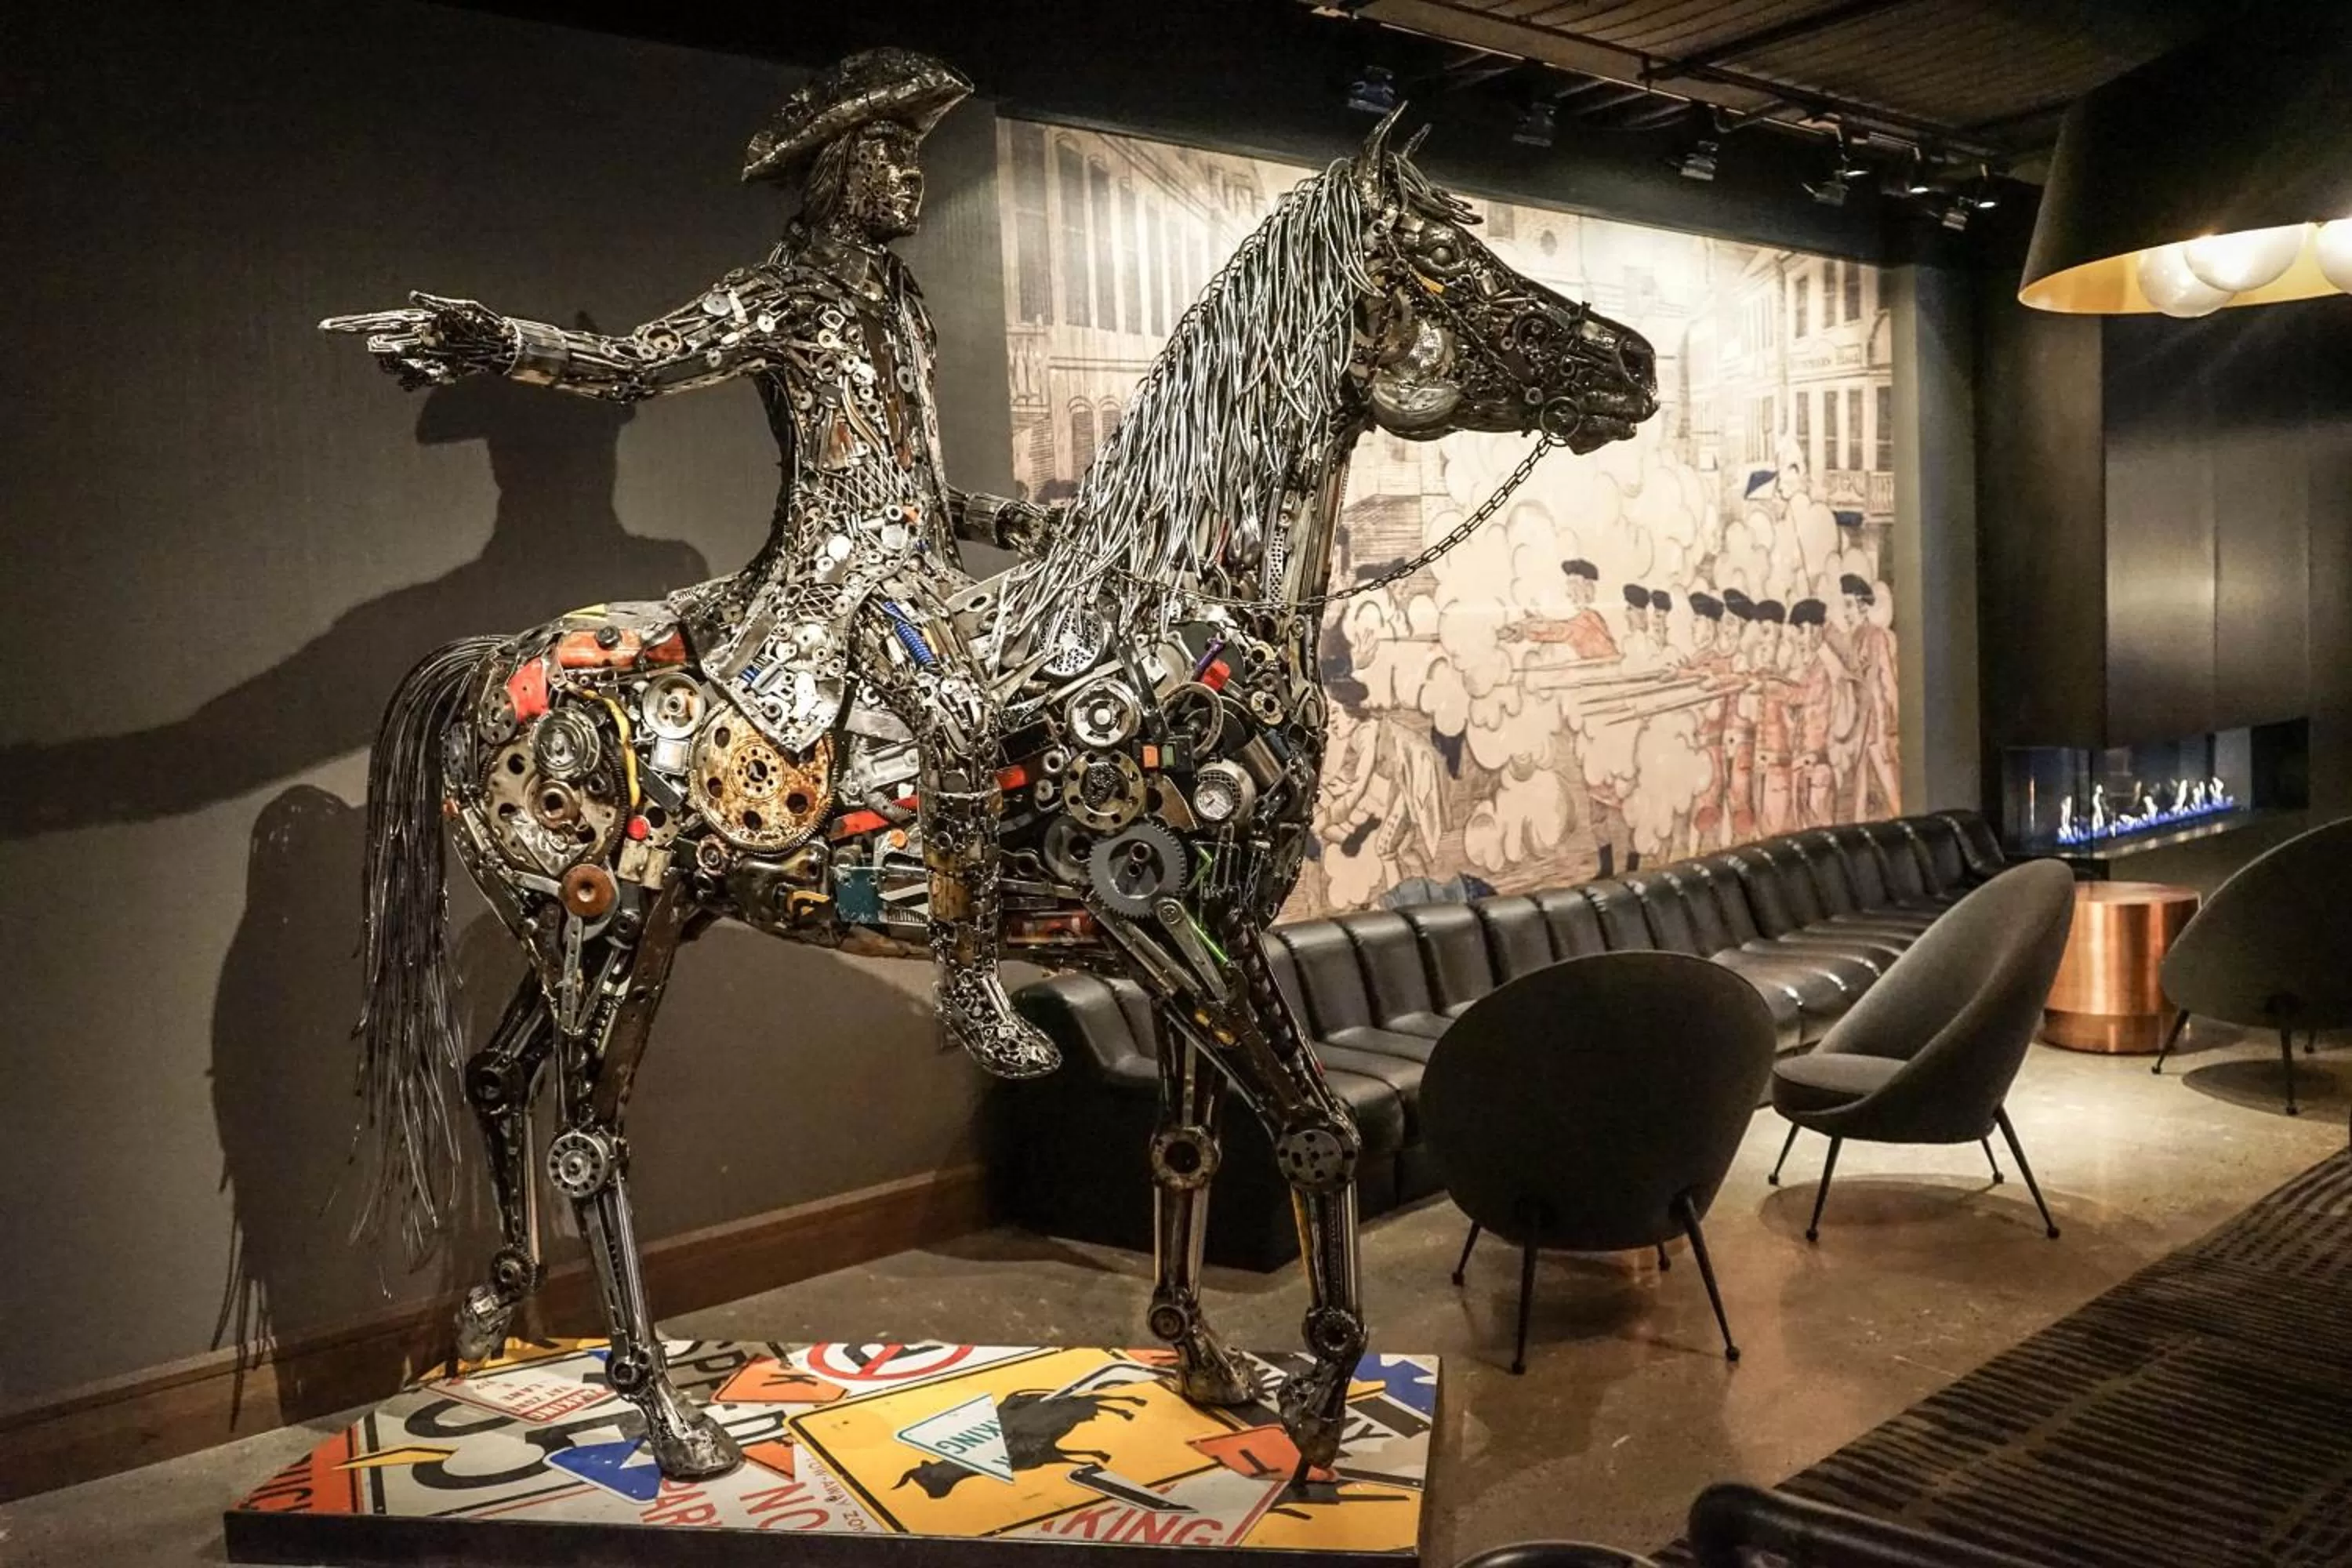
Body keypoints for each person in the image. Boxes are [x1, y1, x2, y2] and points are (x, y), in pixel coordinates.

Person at [330, 50, 1059, 1077]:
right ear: (837, 173)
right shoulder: (777, 296)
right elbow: (634, 362)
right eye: (889, 158)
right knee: (960, 716)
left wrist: (1005, 521)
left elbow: (907, 482)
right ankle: (970, 980)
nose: (913, 178)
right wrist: (501, 341)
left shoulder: (901, 298)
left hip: (927, 575)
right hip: (836, 590)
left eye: (911, 159)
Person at [1840, 573, 1901, 818]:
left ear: (1862, 606)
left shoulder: (1875, 637)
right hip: (1860, 721)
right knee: (1860, 781)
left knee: (1888, 781)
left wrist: (1891, 724)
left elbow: (1886, 681)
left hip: (1876, 722)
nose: (1846, 613)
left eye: (1848, 606)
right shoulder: (1853, 639)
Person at [1507, 558, 1618, 657]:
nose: (1569, 593)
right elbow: (1561, 626)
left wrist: (1526, 630)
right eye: (1569, 586)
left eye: (1574, 586)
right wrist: (1533, 623)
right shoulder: (1586, 618)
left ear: (1587, 589)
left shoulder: (1587, 619)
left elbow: (1560, 630)